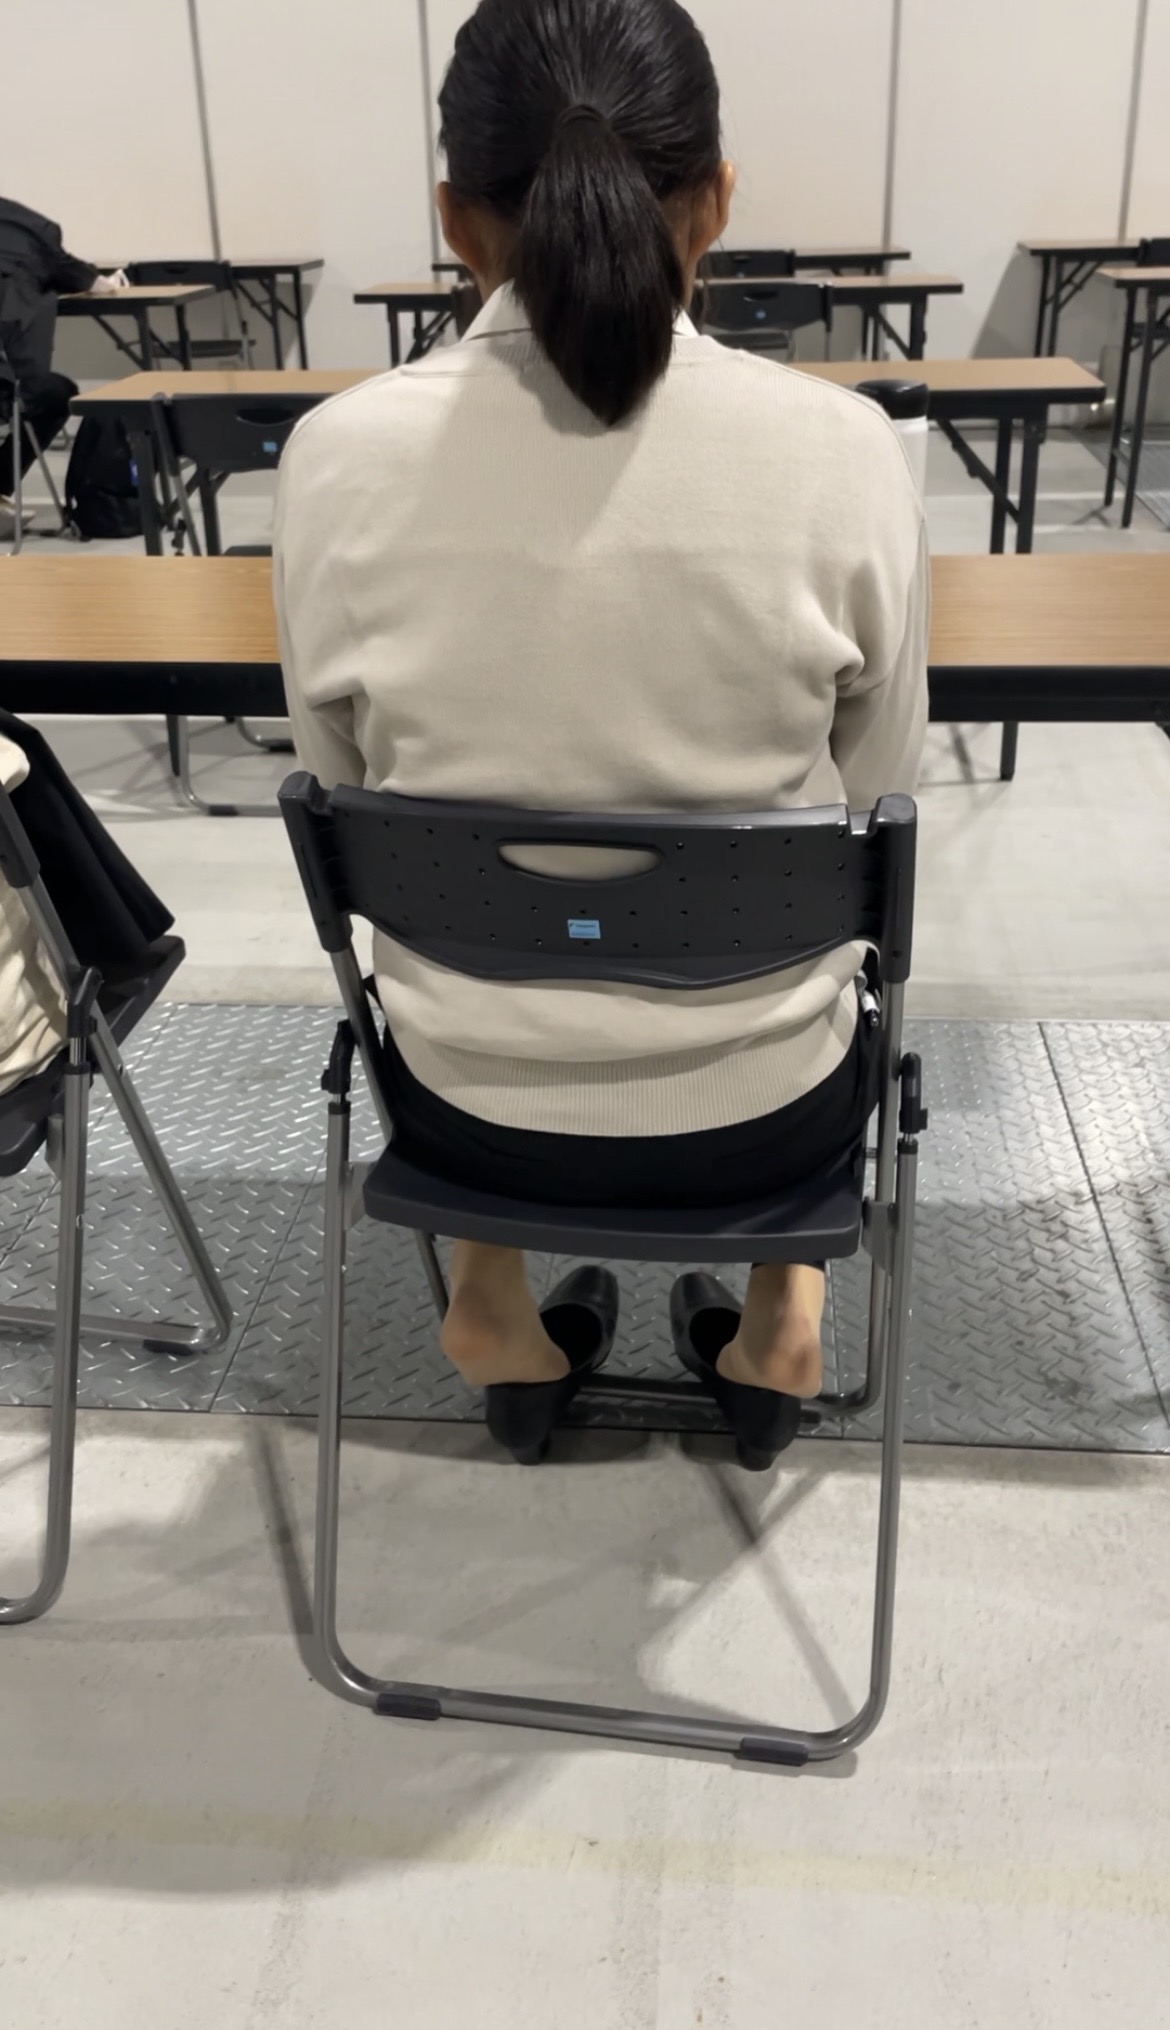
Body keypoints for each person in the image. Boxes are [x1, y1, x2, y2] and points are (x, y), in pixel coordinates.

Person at [274, 0, 929, 1468]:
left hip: (460, 1107)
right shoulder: (843, 454)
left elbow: (340, 785)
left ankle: (493, 1302)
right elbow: (881, 794)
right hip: (769, 1112)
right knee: (839, 942)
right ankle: (783, 1310)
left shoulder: (335, 460)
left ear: (455, 220)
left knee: (465, 931)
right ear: (717, 200)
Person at [0, 195, 123, 531]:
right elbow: (75, 273)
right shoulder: (29, 227)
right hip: (8, 385)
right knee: (54, 395)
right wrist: (103, 282)